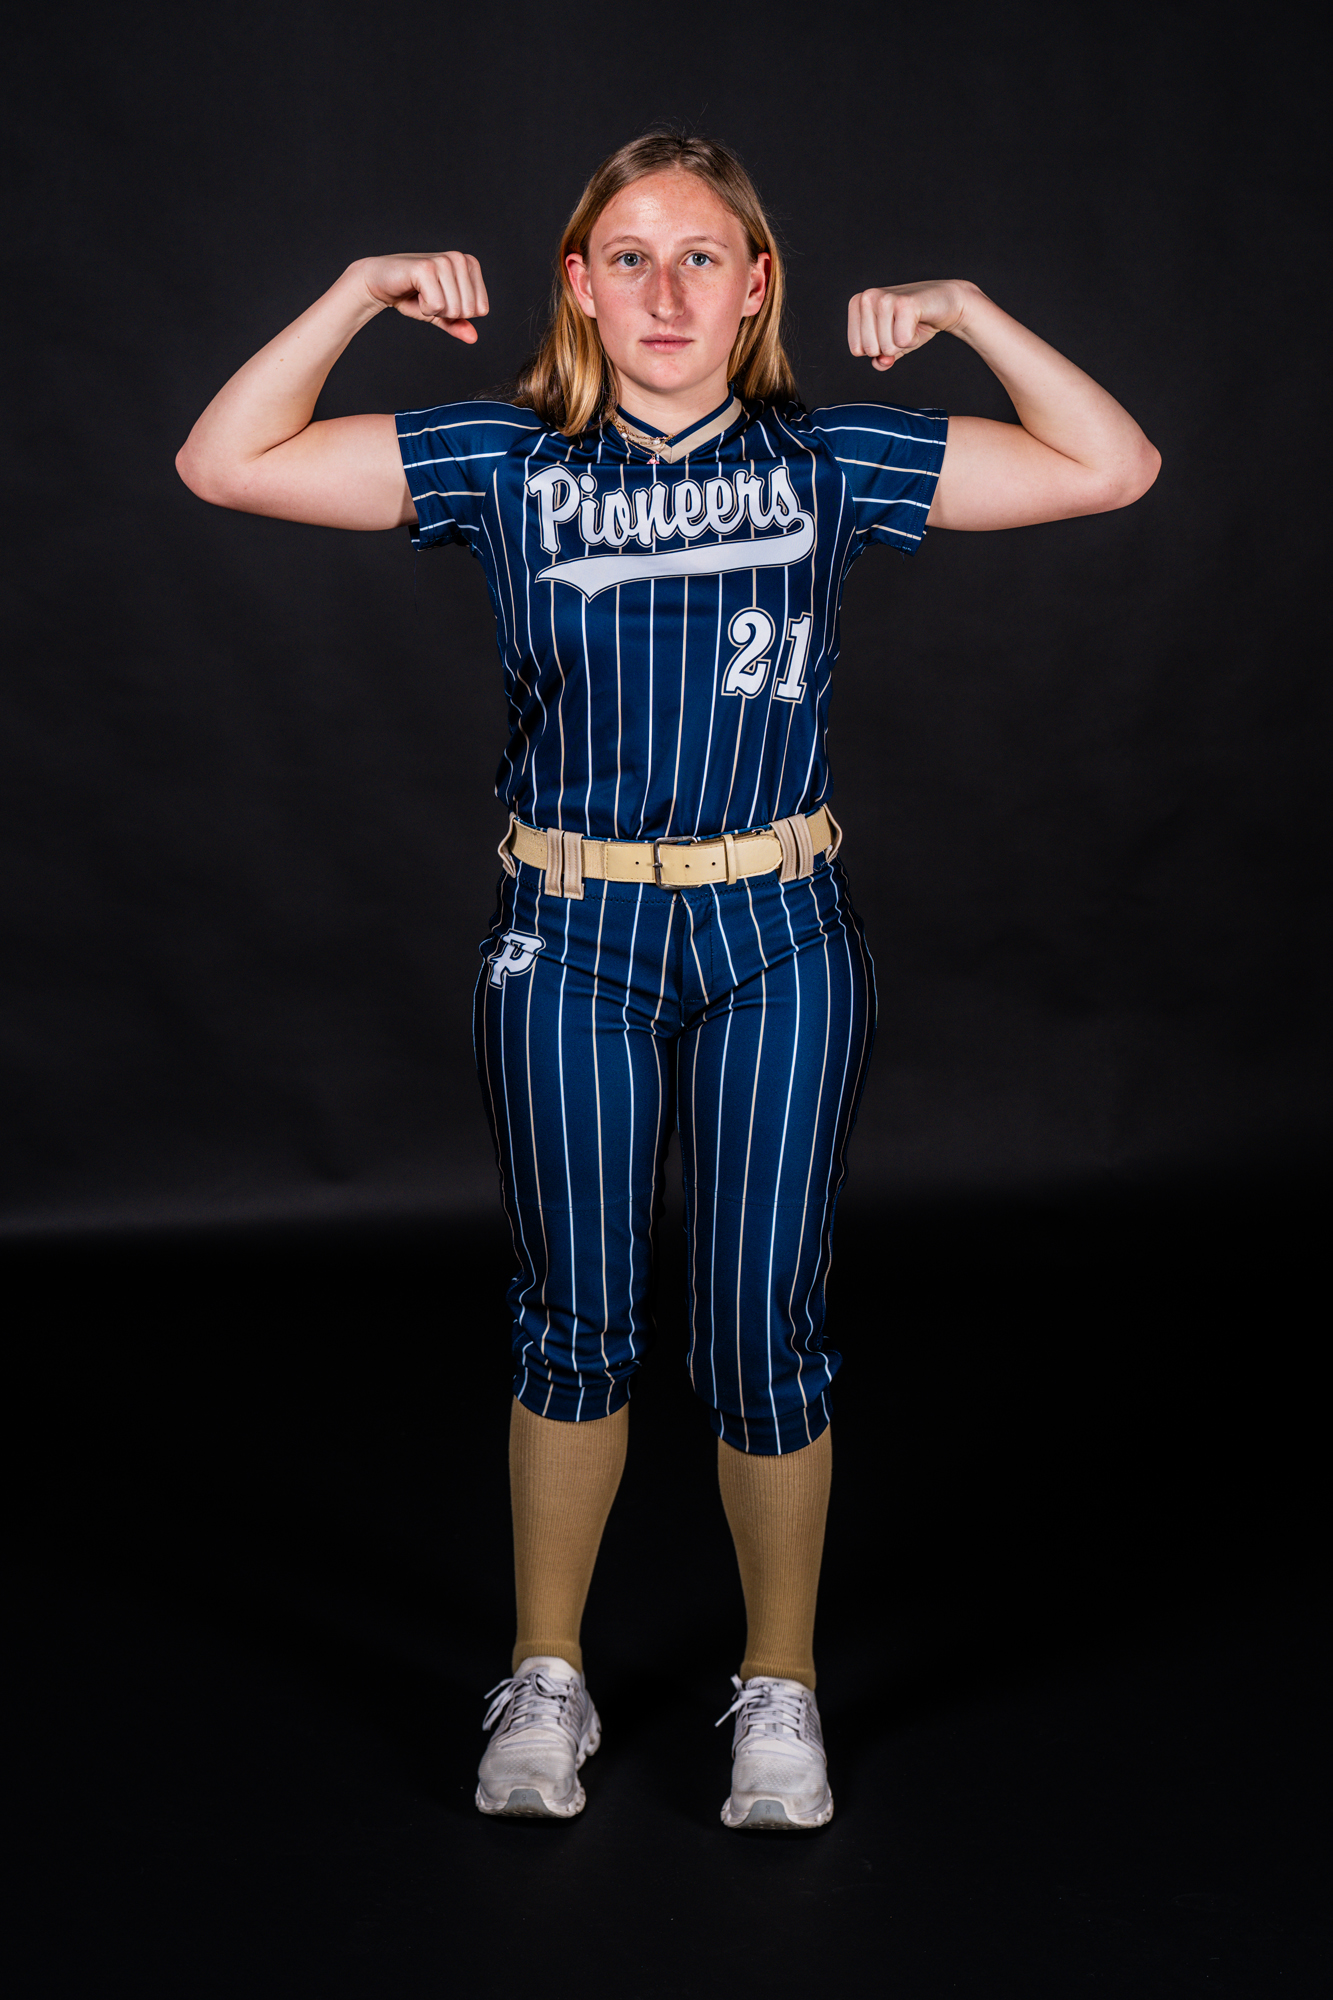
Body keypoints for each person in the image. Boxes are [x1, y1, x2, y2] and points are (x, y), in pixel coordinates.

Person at [176, 130, 1159, 1831]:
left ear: (757, 284)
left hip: (776, 929)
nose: (665, 289)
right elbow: (224, 460)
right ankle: (545, 1676)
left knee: (763, 1326)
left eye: (702, 255)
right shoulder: (502, 457)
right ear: (574, 284)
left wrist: (969, 309)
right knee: (575, 1320)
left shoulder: (827, 456)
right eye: (626, 255)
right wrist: (352, 292)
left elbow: (1110, 465)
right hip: (569, 934)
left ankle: (777, 1690)